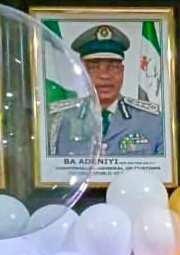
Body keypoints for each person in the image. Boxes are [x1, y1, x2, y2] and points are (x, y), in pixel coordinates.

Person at [52, 23, 164, 159]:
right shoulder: (59, 121)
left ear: (122, 71)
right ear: (83, 72)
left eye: (113, 66)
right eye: (94, 66)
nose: (105, 75)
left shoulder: (152, 121)